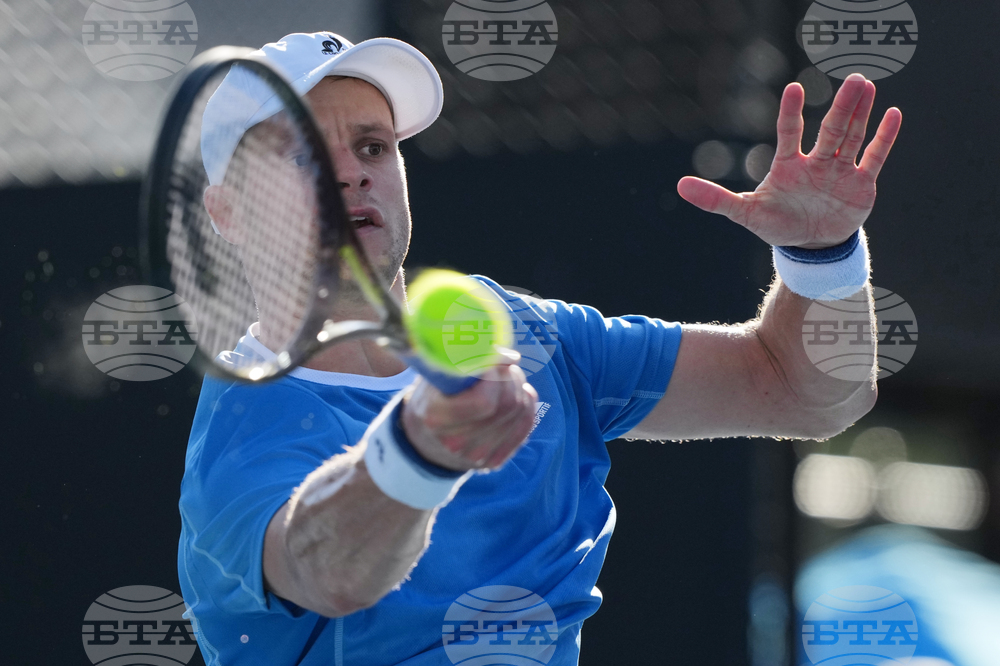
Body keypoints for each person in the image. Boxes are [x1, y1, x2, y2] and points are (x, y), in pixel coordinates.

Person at [178, 31, 900, 665]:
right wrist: (422, 449)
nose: (351, 172)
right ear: (228, 213)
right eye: (304, 153)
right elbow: (328, 569)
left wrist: (824, 260)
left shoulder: (530, 336)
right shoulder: (241, 433)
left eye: (373, 145)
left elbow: (802, 391)